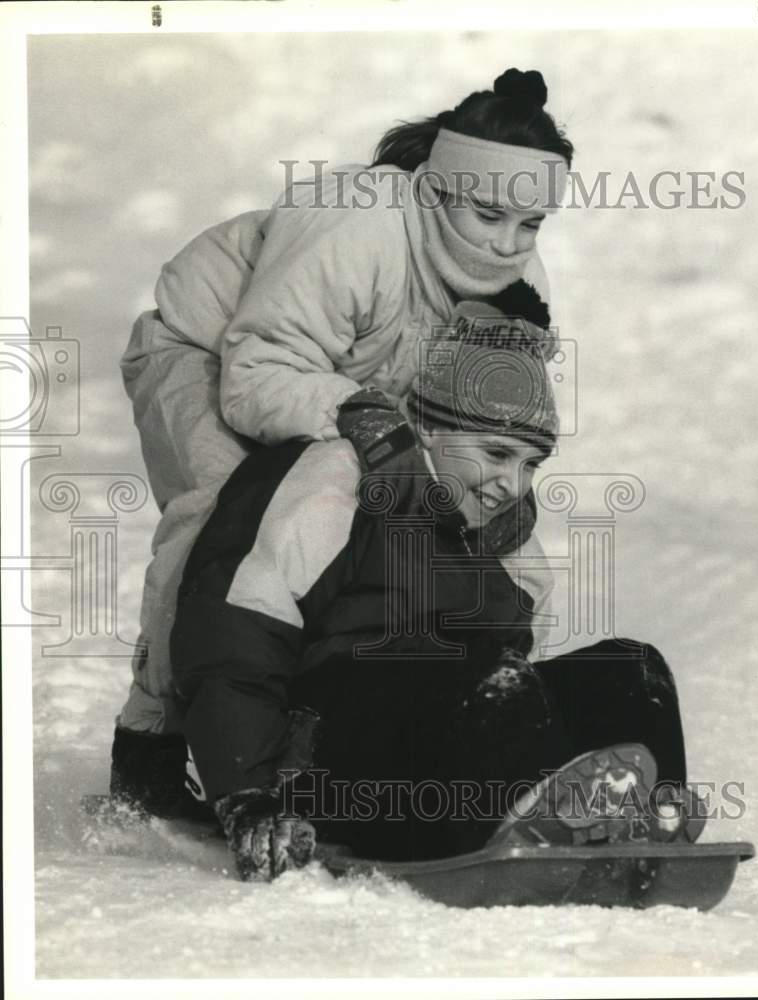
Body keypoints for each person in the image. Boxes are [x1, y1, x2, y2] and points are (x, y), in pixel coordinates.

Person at [110, 67, 575, 816]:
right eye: (489, 215)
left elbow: (497, 429)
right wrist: (367, 419)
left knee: (381, 525)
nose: (507, 244)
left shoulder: (519, 286)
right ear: (435, 190)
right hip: (209, 350)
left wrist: (498, 506)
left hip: (355, 388)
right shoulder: (354, 225)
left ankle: (326, 727)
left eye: (530, 225)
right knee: (225, 522)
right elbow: (255, 373)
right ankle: (152, 744)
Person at [169, 305, 692, 881]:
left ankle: (645, 822)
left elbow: (522, 694)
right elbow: (231, 638)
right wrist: (247, 795)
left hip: (449, 747)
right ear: (431, 429)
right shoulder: (335, 485)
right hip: (330, 768)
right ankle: (502, 831)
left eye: (530, 464)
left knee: (631, 670)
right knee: (481, 673)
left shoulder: (510, 548)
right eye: (495, 453)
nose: (510, 485)